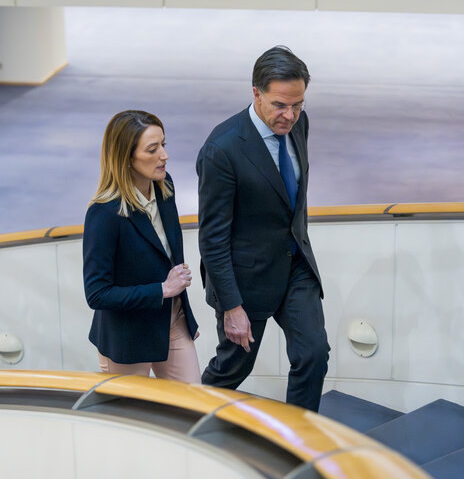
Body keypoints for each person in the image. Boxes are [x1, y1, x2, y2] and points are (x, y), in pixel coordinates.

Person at [197, 46, 330, 411]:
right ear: (256, 93)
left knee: (313, 355)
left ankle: (299, 441)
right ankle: (190, 423)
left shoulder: (299, 123)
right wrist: (231, 306)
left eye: (298, 104)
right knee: (233, 369)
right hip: (246, 280)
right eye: (279, 105)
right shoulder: (221, 150)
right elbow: (212, 238)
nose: (290, 115)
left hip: (295, 267)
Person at [83, 110, 200, 383]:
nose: (164, 156)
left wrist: (185, 317)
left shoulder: (164, 185)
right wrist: (162, 289)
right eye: (152, 149)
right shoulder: (104, 213)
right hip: (128, 338)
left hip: (171, 322)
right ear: (126, 158)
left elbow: (169, 258)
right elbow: (97, 294)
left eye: (163, 145)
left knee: (193, 405)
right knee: (130, 417)